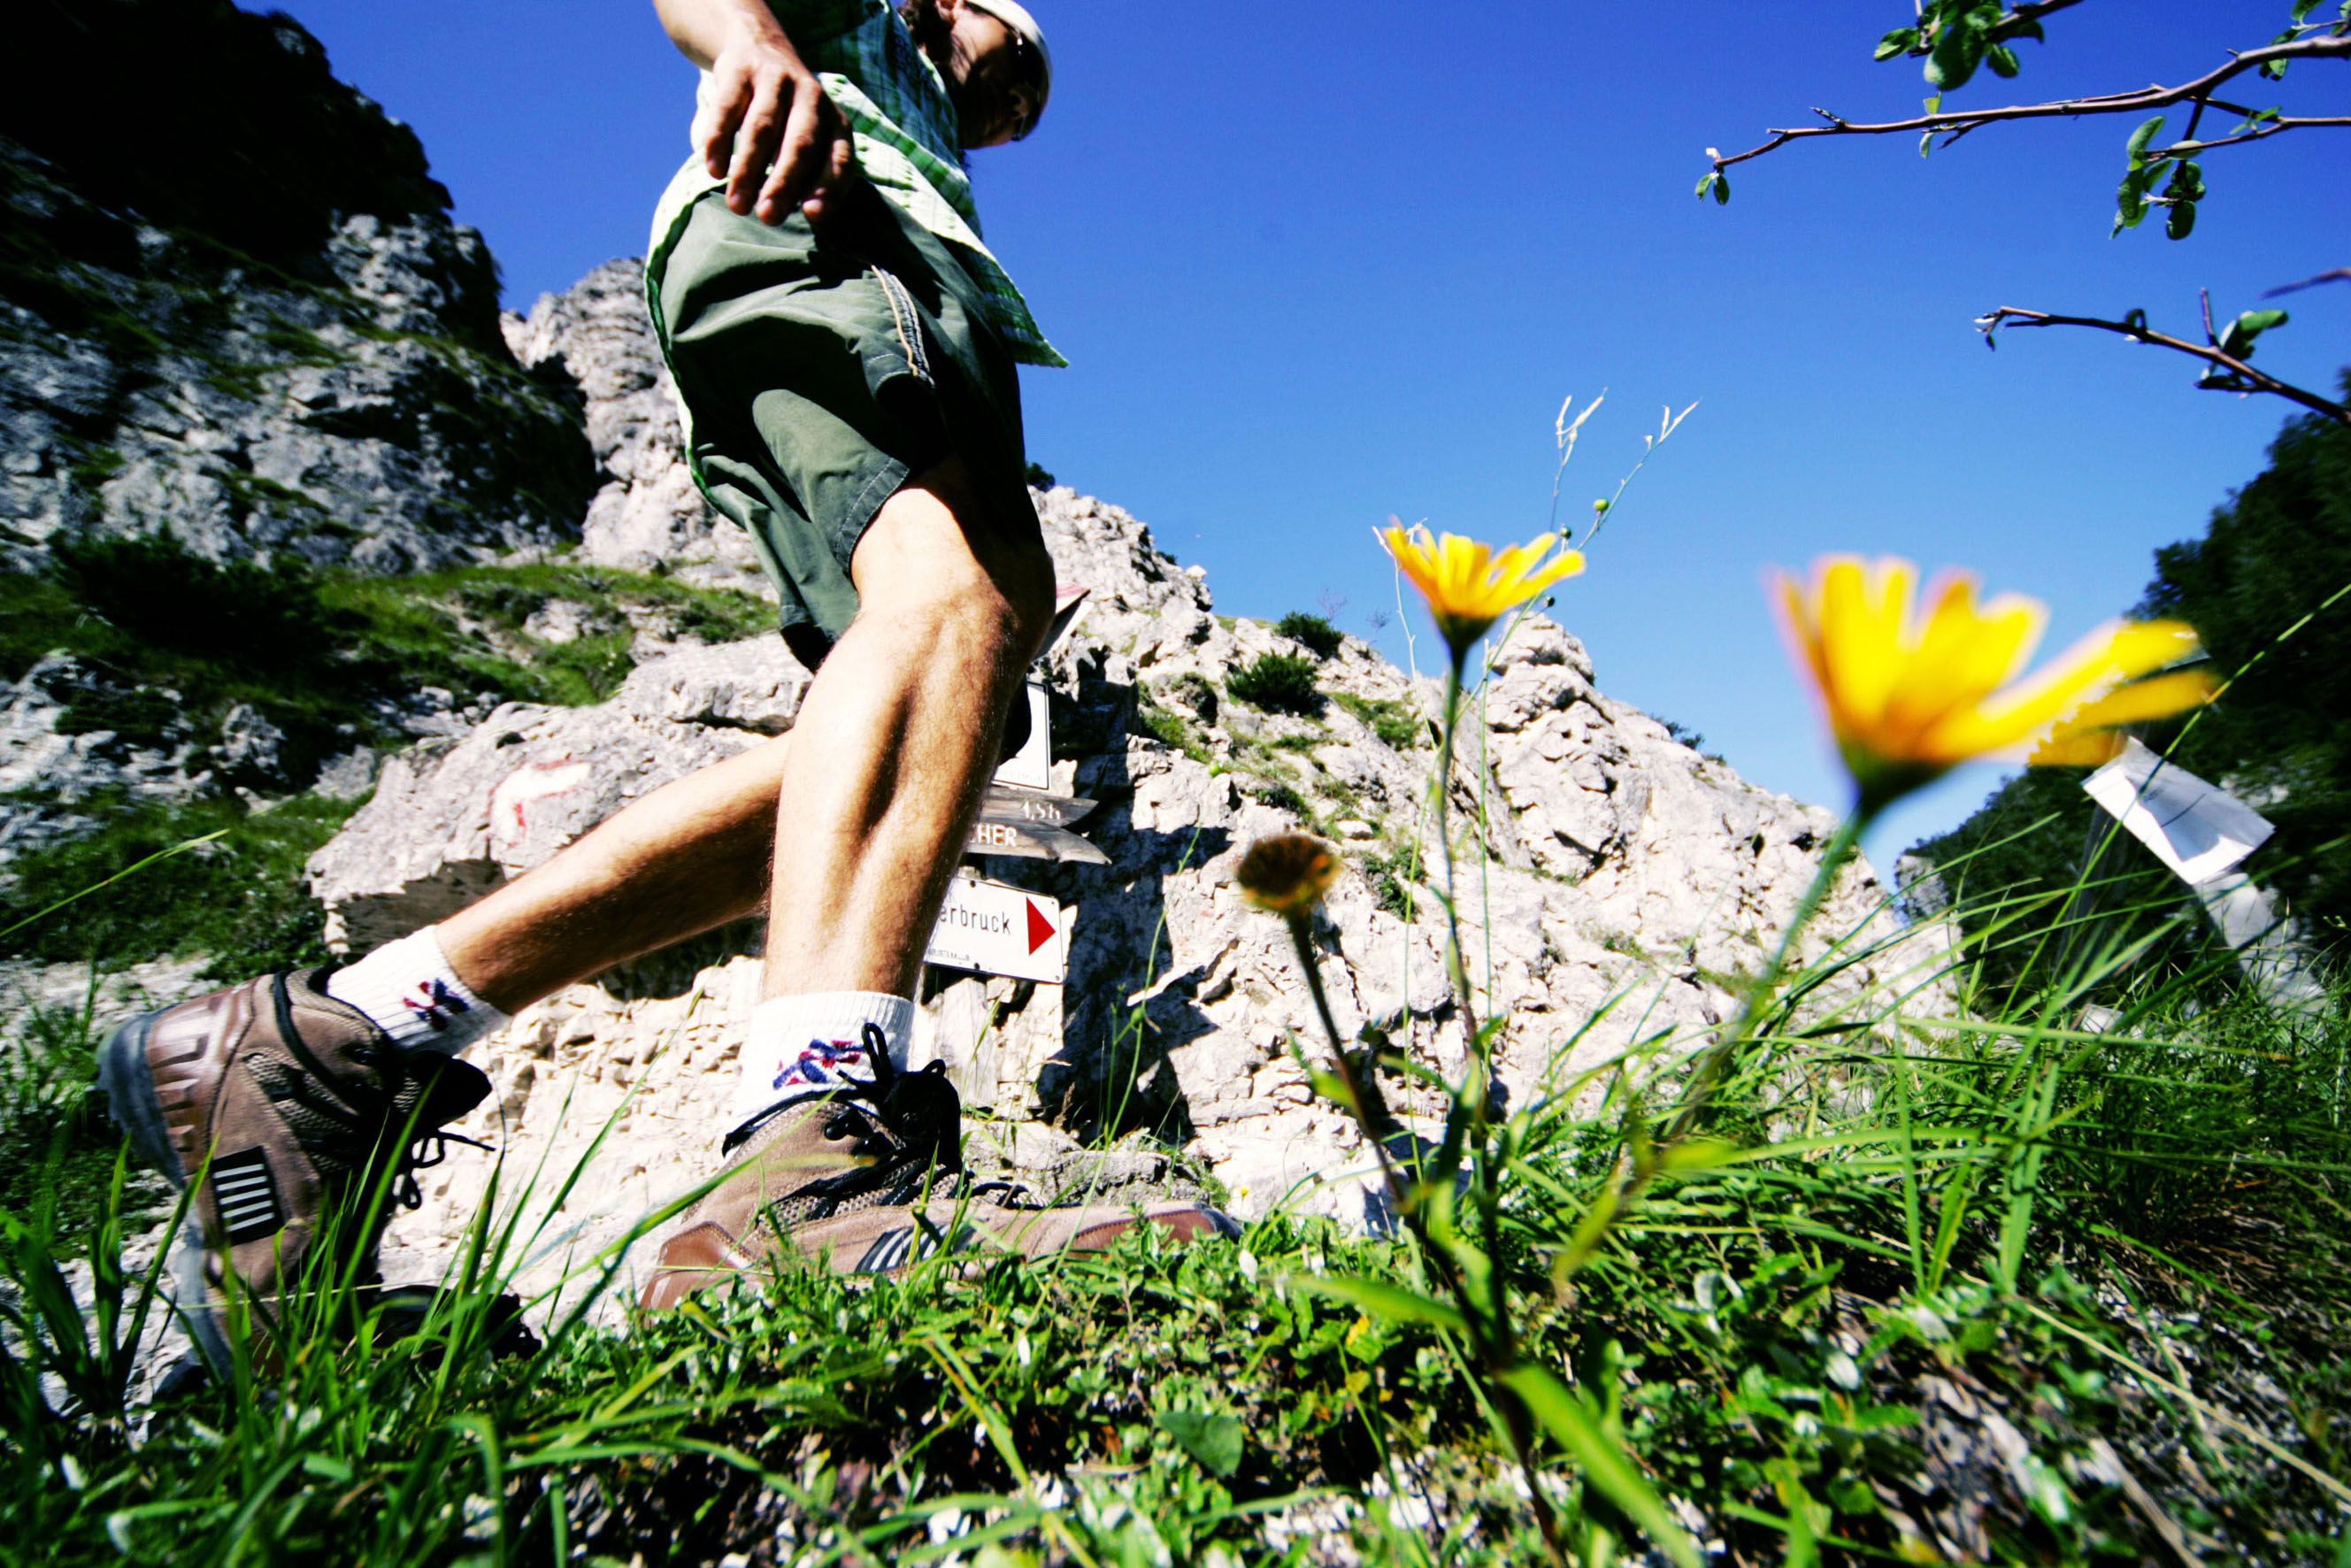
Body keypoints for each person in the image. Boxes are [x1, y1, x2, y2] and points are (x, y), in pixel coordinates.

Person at [96, 0, 1229, 1369]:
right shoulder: (875, 33)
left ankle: (344, 1037)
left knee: (925, 726)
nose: (1011, 97)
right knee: (952, 613)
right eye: (1004, 56)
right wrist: (745, 42)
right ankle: (805, 1158)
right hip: (815, 218)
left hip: (879, 259)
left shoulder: (930, 102)